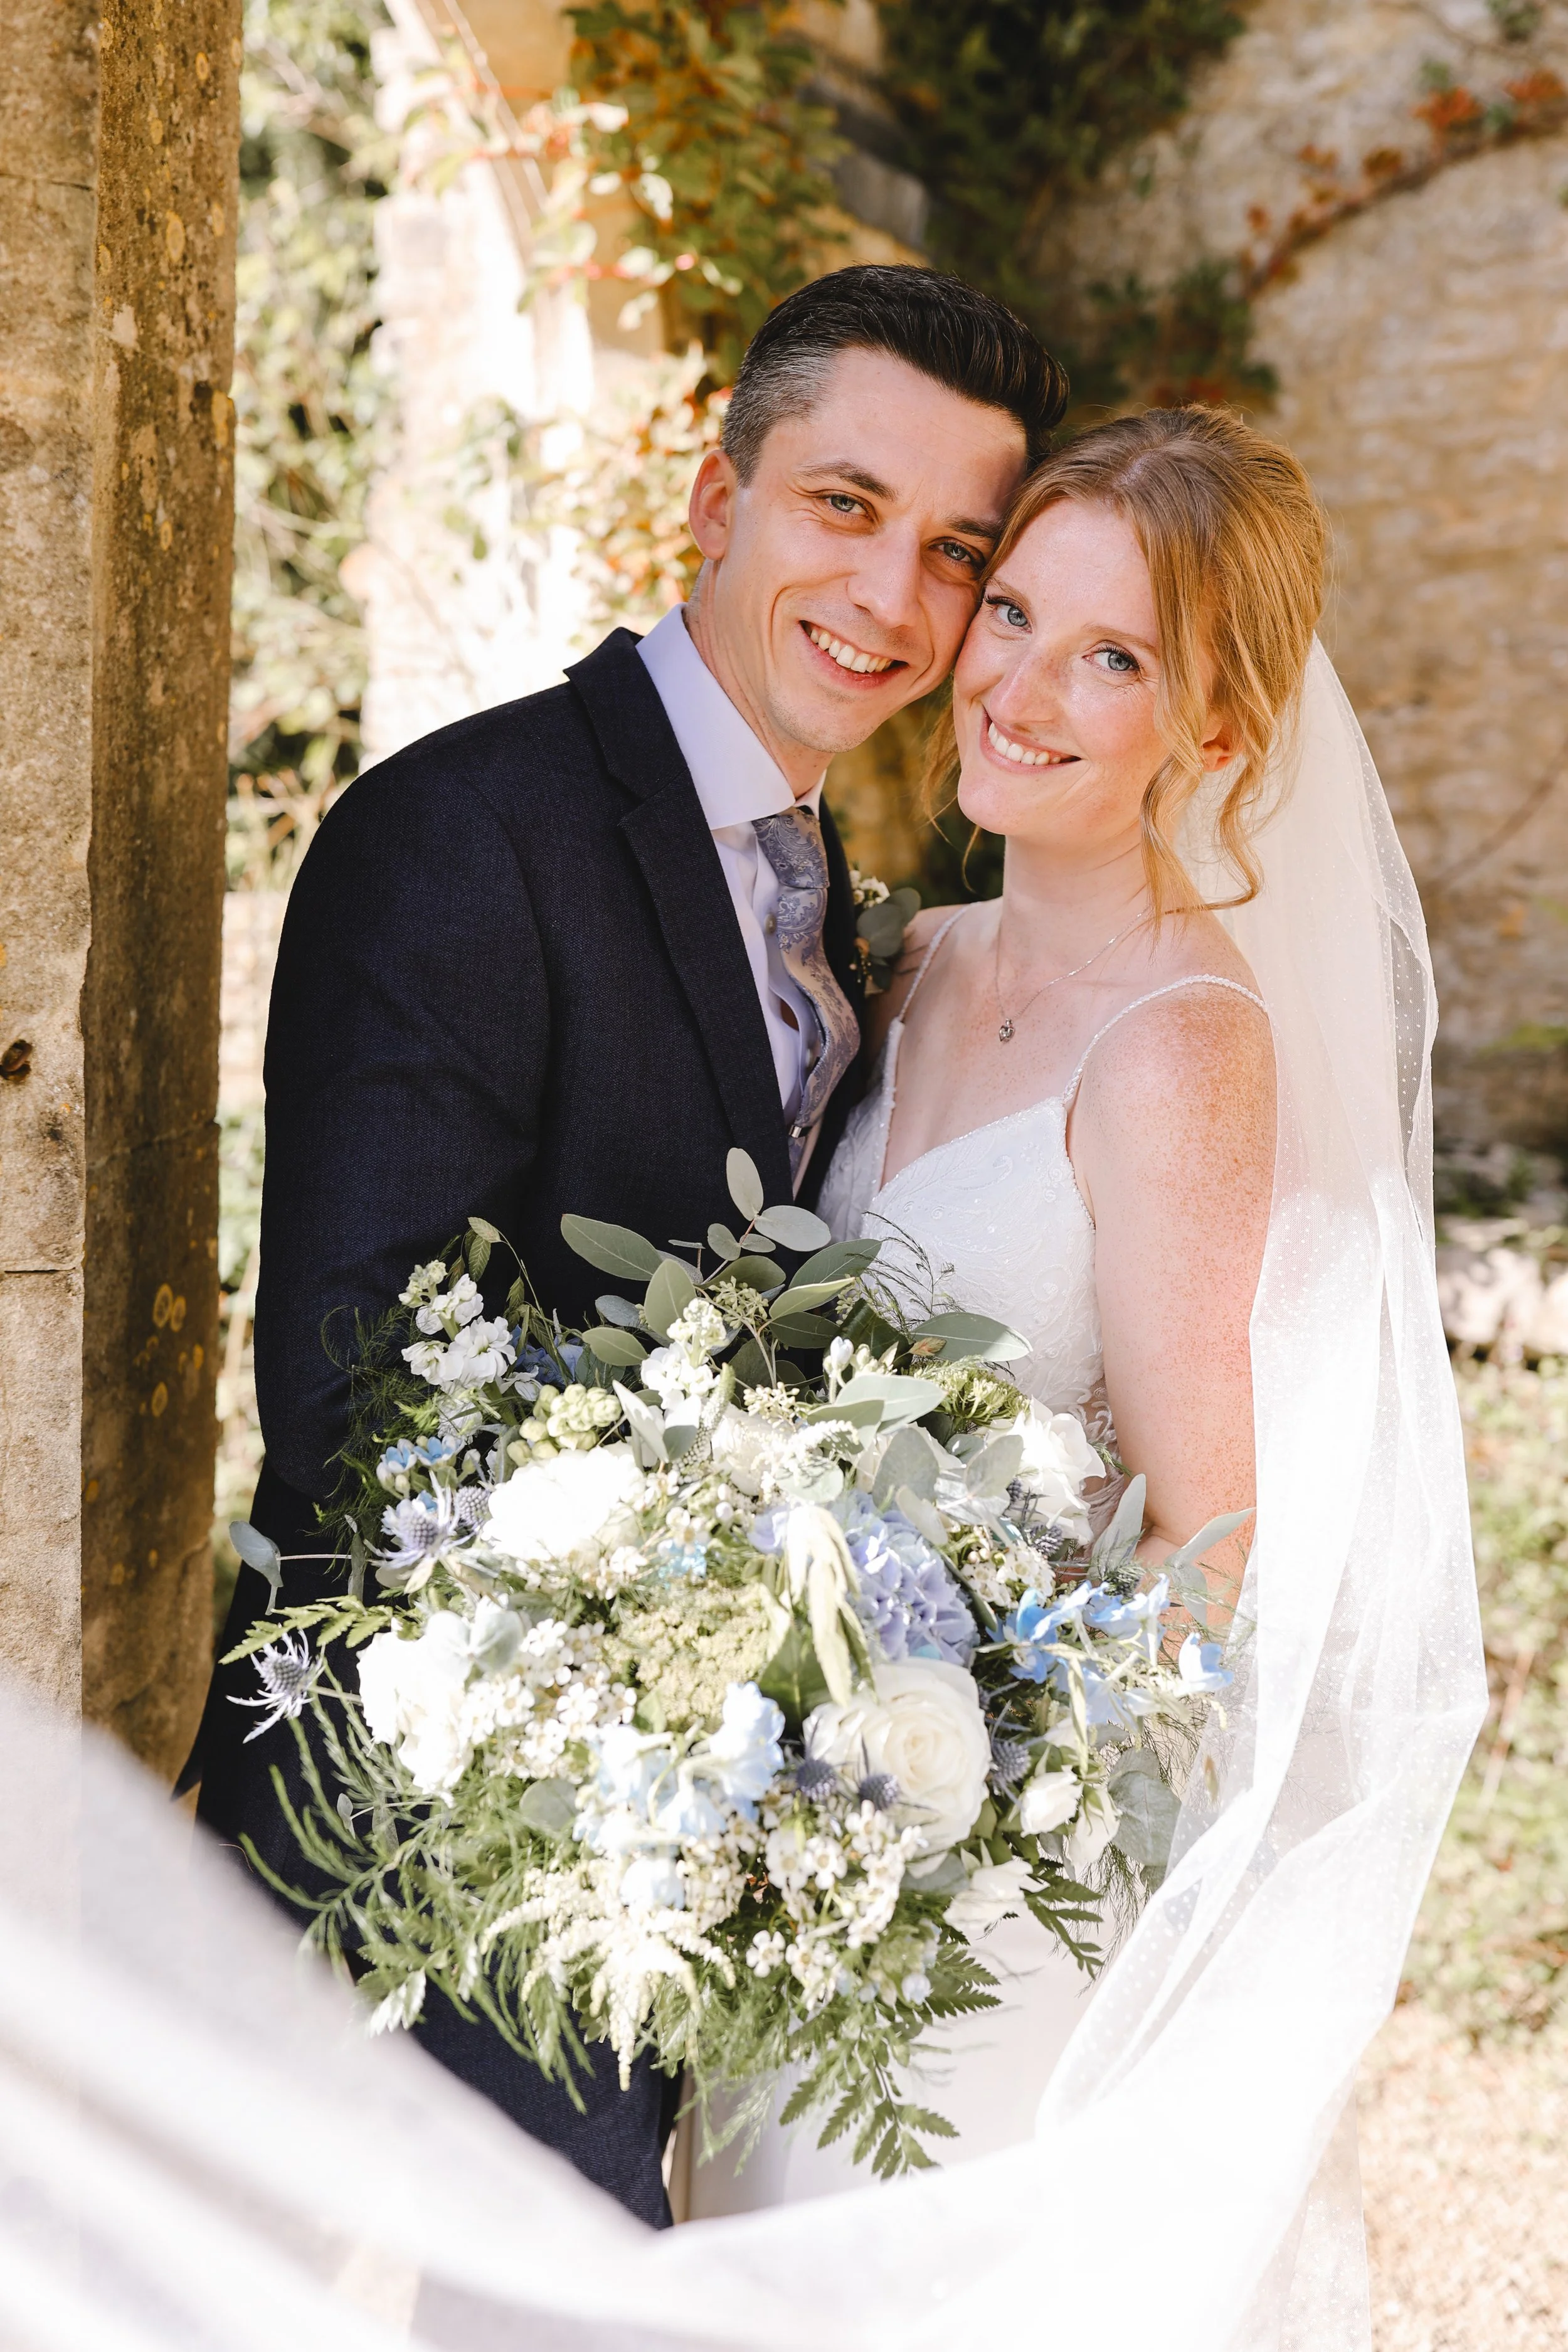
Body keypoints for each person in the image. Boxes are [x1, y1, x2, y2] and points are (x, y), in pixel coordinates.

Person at [182, 263, 1067, 2228]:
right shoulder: (464, 827)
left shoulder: (823, 894)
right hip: (428, 1884)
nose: (892, 600)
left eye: (953, 551)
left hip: (700, 1887)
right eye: (843, 506)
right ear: (713, 496)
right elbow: (352, 1396)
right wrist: (683, 1652)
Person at [689, 406, 1478, 2236]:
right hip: (781, 1806)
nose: (1018, 687)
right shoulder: (908, 960)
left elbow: (1206, 1550)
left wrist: (936, 1755)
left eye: (1109, 657)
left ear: (1212, 735)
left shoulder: (1180, 1046)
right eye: (1016, 613)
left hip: (965, 1877)